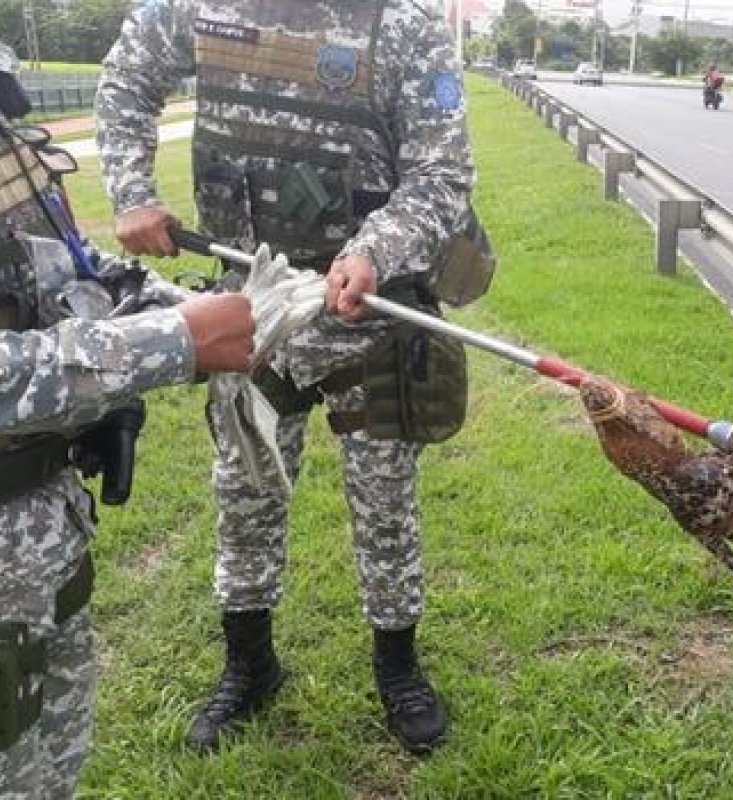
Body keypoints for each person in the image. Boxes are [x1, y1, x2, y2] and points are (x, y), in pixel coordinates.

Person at [95, 0, 476, 756]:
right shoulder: (198, 7)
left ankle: (397, 667)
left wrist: (374, 249)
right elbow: (127, 76)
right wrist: (132, 190)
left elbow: (443, 173)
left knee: (385, 504)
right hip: (251, 312)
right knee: (246, 495)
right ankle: (250, 664)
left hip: (368, 314)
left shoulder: (404, 26)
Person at [0, 40, 256, 798]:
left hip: (43, 550)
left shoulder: (8, 133)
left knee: (52, 774)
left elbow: (66, 267)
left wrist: (181, 303)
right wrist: (173, 342)